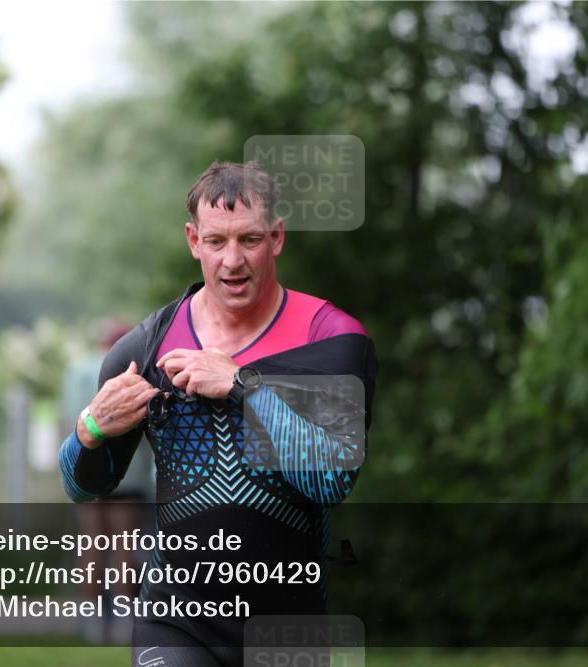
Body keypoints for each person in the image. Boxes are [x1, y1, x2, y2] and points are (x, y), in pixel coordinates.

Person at [59, 160, 378, 666]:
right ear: (194, 240)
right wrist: (89, 429)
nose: (233, 260)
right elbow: (84, 486)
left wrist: (241, 386)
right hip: (175, 620)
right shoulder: (148, 347)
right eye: (216, 241)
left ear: (276, 237)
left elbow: (332, 478)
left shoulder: (328, 338)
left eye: (249, 239)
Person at [59, 320, 154, 644]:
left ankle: (93, 623)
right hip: (130, 472)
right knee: (124, 547)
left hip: (86, 466)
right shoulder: (135, 369)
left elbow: (68, 419)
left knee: (91, 545)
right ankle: (125, 620)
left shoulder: (77, 370)